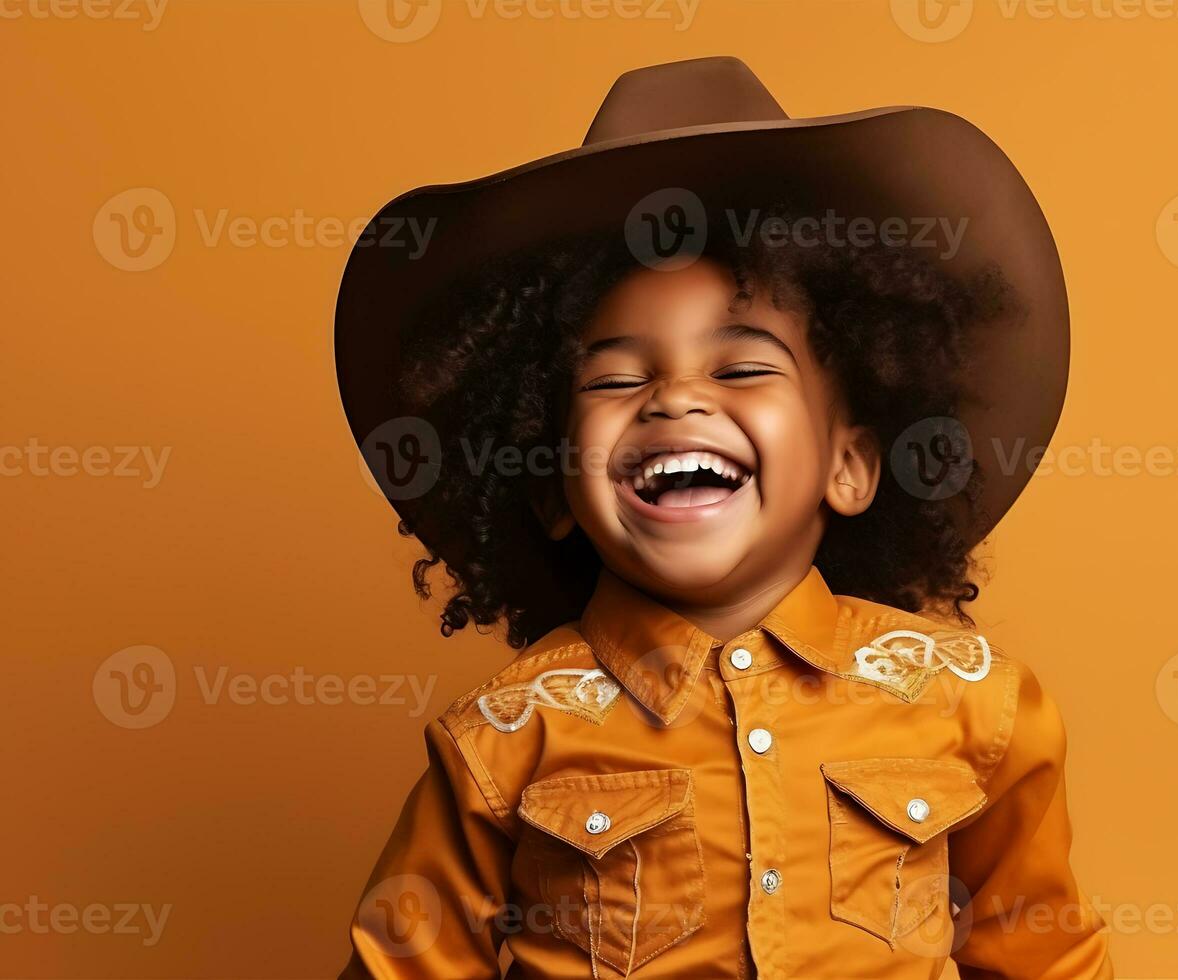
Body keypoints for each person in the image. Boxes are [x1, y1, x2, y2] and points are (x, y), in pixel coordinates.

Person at [334, 56, 1111, 979]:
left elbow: (1045, 957)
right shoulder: (505, 735)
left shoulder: (971, 705)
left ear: (851, 462)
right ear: (549, 488)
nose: (674, 401)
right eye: (617, 379)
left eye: (742, 368)